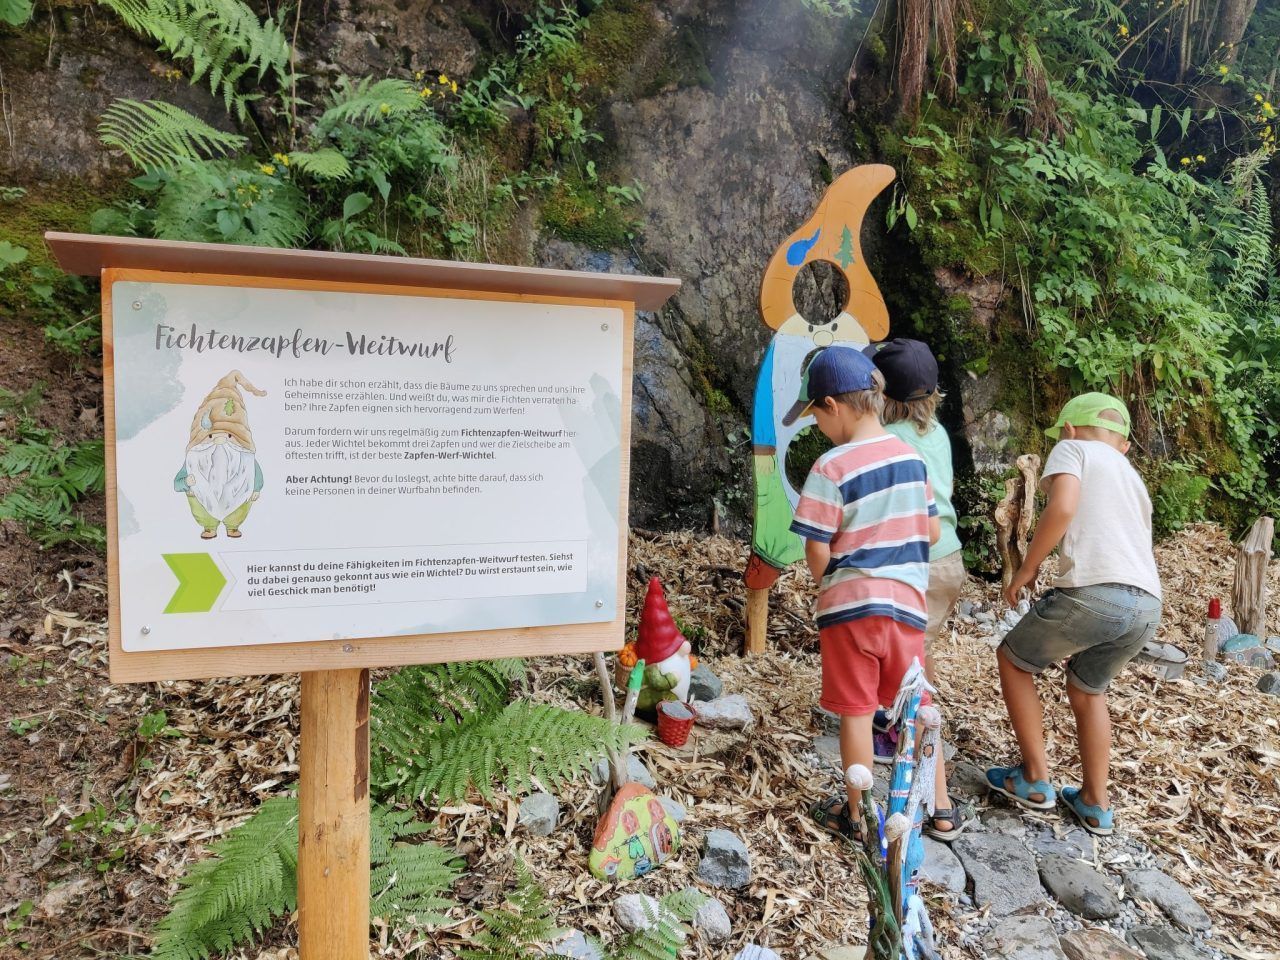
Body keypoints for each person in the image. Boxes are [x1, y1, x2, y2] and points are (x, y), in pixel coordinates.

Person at [787, 346, 964, 843]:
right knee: (917, 705)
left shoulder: (830, 466)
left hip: (850, 608)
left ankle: (859, 816)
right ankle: (940, 808)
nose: (817, 426)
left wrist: (828, 584)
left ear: (832, 404)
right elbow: (930, 532)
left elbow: (817, 545)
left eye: (815, 415)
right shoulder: (912, 458)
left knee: (858, 711)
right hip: (907, 606)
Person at [987, 393, 1162, 836]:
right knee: (1088, 689)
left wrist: (1028, 566)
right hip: (1146, 605)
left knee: (1013, 659)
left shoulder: (1073, 448)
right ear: (1124, 444)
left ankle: (1034, 778)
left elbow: (1062, 507)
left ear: (1067, 429)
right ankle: (1095, 802)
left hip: (1094, 592)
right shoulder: (1132, 476)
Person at [867, 338, 968, 841]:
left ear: (882, 396)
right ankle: (891, 724)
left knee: (915, 676)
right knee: (913, 657)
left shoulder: (890, 441)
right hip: (949, 561)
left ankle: (939, 801)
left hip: (918, 562)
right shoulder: (939, 434)